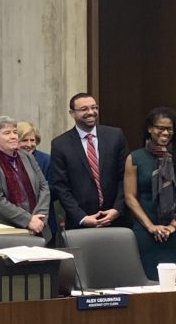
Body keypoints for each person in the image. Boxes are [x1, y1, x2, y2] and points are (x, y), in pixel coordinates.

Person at [124, 107, 176, 280]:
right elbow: (130, 197)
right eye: (160, 128)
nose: (165, 132)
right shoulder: (135, 158)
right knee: (147, 281)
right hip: (145, 230)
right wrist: (150, 226)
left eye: (169, 129)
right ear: (150, 129)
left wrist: (174, 224)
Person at [50, 92, 129, 230]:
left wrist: (117, 209)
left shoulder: (115, 136)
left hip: (116, 220)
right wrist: (82, 217)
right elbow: (61, 186)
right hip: (80, 223)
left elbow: (125, 177)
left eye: (94, 107)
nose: (91, 112)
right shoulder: (60, 144)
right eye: (84, 109)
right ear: (72, 113)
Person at [0, 116, 51, 240]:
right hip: (8, 232)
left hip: (39, 227)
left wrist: (39, 218)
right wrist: (28, 220)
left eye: (15, 132)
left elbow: (44, 186)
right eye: (7, 133)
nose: (13, 136)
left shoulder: (27, 157)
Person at [17, 120, 58, 241]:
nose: (29, 144)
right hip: (16, 222)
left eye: (32, 140)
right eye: (24, 140)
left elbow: (55, 189)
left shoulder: (46, 160)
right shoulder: (9, 161)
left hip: (44, 220)